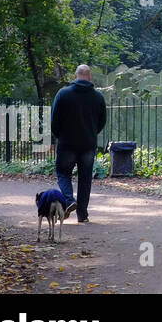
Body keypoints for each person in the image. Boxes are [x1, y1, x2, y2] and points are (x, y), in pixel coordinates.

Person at [50, 64, 106, 223]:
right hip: (88, 144)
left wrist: (59, 135)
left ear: (75, 76)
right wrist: (91, 133)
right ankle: (83, 215)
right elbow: (102, 121)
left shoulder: (63, 94)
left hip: (67, 143)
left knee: (62, 173)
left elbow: (54, 120)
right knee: (85, 178)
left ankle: (69, 200)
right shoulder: (98, 97)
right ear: (89, 77)